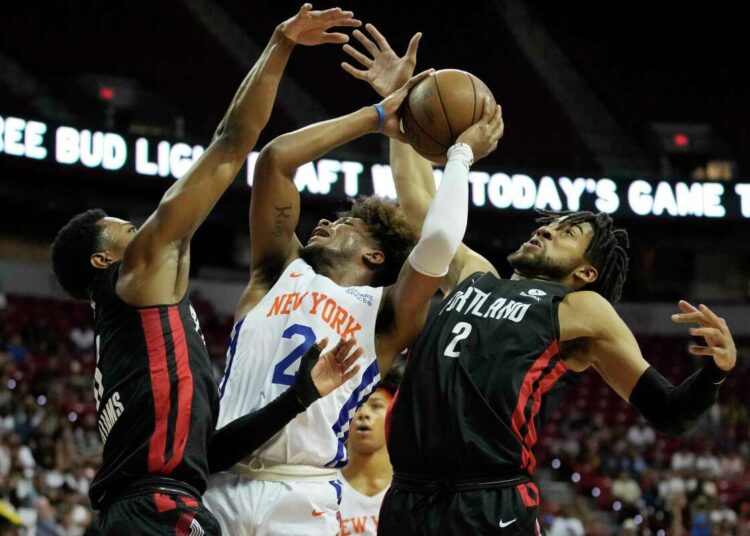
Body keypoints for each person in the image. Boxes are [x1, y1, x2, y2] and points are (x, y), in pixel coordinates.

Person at [342, 24, 738, 535]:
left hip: (490, 501)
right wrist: (402, 106)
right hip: (411, 496)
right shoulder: (475, 275)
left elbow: (670, 412)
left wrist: (715, 373)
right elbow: (421, 208)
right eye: (548, 224)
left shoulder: (580, 309)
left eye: (566, 232)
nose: (547, 230)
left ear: (587, 272)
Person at [50, 5, 364, 534]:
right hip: (155, 511)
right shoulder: (137, 274)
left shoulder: (133, 334)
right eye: (124, 227)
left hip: (165, 505)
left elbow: (213, 452)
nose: (140, 227)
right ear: (104, 260)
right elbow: (230, 142)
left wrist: (302, 395)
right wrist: (280, 44)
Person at [203, 37, 505, 535]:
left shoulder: (386, 314)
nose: (323, 223)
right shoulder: (278, 270)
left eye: (346, 222)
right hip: (219, 480)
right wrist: (380, 116)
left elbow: (440, 239)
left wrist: (459, 157)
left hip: (305, 495)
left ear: (375, 255)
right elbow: (276, 160)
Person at [337, 365, 402, 536]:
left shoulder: (410, 489)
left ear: (393, 413)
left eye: (375, 406)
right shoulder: (323, 486)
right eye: (356, 407)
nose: (363, 414)